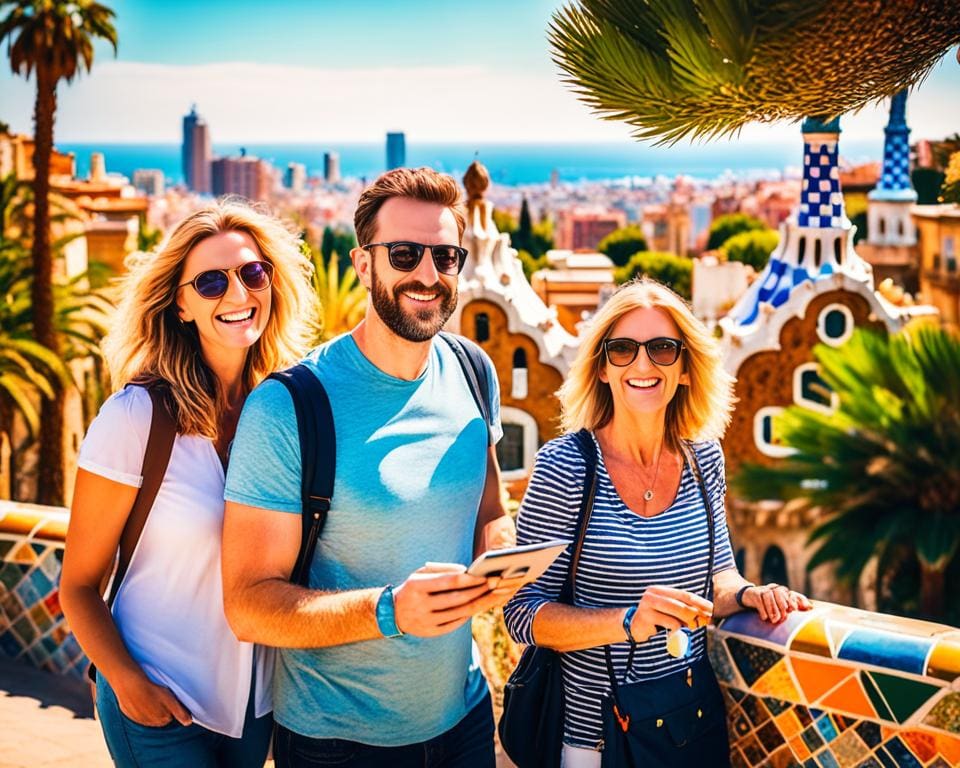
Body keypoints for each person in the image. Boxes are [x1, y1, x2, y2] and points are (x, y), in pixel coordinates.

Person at [221, 167, 520, 768]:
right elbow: (248, 605)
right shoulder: (289, 406)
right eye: (405, 254)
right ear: (363, 265)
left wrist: (500, 563)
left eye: (445, 256)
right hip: (338, 742)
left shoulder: (472, 370)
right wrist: (391, 611)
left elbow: (489, 510)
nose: (428, 275)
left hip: (464, 721)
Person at [503, 279, 812, 768]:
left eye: (663, 349)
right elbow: (521, 615)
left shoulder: (703, 458)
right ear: (602, 367)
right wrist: (627, 621)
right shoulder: (565, 466)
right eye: (622, 349)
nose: (642, 365)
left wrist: (751, 594)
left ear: (686, 368)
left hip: (685, 724)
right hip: (593, 740)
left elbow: (718, 579)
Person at [60, 200, 317, 767]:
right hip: (158, 697)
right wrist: (127, 684)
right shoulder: (136, 418)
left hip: (255, 706)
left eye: (253, 273)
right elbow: (78, 585)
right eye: (210, 282)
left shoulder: (289, 413)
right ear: (179, 303)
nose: (238, 295)